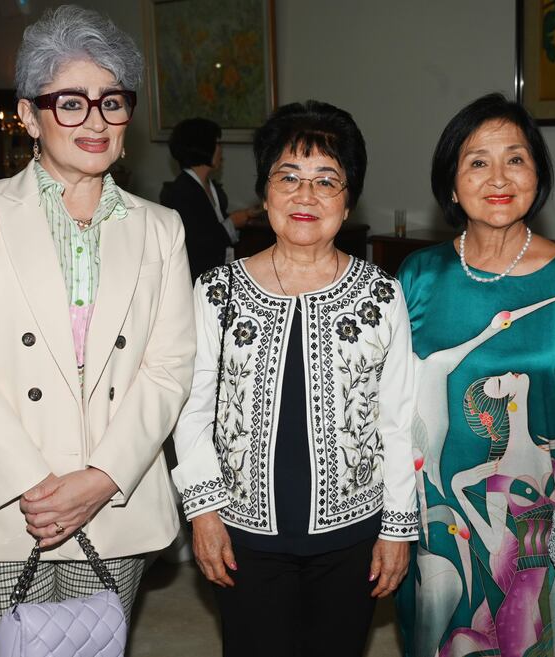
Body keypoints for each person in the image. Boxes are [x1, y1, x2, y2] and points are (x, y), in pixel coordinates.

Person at [0, 6, 196, 657]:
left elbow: (169, 367)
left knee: (93, 648)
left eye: (111, 101)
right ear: (29, 115)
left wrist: (100, 478)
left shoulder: (159, 228)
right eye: (70, 102)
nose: (94, 119)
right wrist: (32, 482)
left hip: (111, 506)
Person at [394, 93, 555, 657]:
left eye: (515, 158)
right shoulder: (418, 276)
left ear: (538, 175)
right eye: (477, 161)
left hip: (548, 520)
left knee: (536, 636)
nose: (498, 176)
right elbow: (386, 404)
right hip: (434, 521)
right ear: (450, 183)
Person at [173, 100, 419, 657]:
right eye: (289, 177)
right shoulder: (218, 291)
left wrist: (398, 528)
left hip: (354, 532)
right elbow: (192, 408)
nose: (305, 196)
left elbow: (399, 418)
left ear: (348, 198)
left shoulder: (382, 295)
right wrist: (204, 511)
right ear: (264, 193)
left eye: (326, 181)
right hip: (244, 534)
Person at [160, 118, 259, 281]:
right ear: (203, 147)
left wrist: (246, 214)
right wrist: (233, 222)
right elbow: (198, 243)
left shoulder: (211, 186)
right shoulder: (181, 192)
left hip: (218, 273)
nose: (221, 150)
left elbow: (214, 224)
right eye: (217, 143)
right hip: (197, 279)